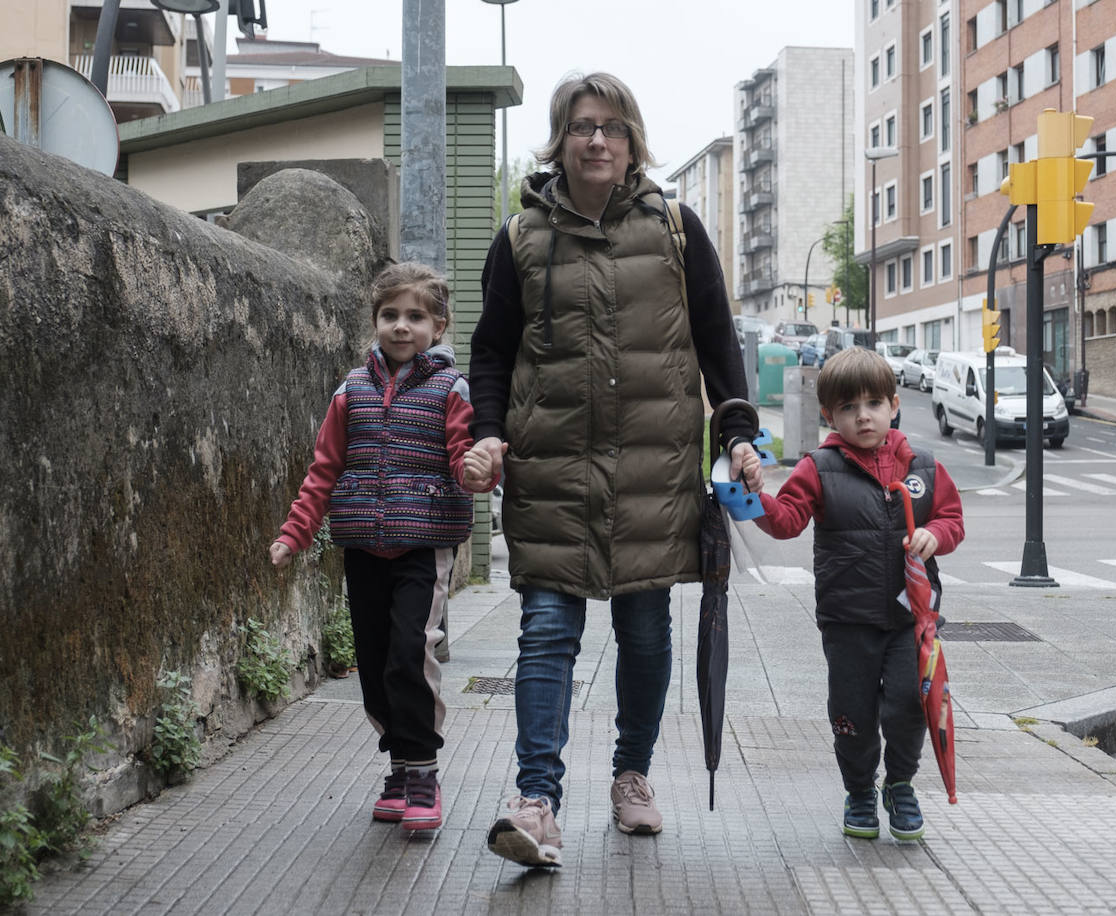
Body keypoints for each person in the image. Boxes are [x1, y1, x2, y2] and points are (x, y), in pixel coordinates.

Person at [464, 72, 762, 868]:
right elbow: (491, 351)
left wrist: (737, 431)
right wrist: (488, 434)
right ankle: (537, 800)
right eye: (581, 127)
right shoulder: (522, 237)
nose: (597, 140)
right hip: (551, 470)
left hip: (652, 473)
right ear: (559, 140)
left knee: (644, 636)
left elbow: (716, 338)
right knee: (547, 632)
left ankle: (632, 776)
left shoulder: (676, 227)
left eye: (611, 128)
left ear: (632, 141)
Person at [269, 262, 495, 833]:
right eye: (390, 315)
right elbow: (324, 470)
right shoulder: (351, 390)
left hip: (423, 546)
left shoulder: (451, 389)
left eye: (415, 316)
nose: (401, 326)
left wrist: (475, 473)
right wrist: (294, 534)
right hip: (363, 546)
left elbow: (465, 459)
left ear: (438, 327)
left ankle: (422, 772)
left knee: (408, 654)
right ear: (375, 323)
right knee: (372, 662)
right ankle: (398, 767)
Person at [750, 347, 964, 841]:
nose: (862, 415)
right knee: (852, 712)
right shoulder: (818, 468)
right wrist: (751, 496)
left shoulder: (924, 468)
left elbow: (952, 519)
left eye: (873, 403)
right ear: (829, 415)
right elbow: (785, 521)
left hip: (911, 621)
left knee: (910, 704)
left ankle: (901, 784)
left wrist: (937, 534)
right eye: (848, 407)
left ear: (894, 405)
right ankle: (861, 790)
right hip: (847, 621)